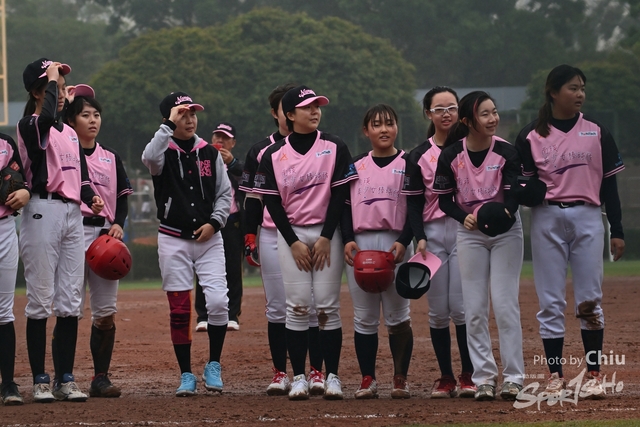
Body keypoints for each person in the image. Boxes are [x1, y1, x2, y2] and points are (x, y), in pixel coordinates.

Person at [515, 64, 625, 400]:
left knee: (590, 299)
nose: (580, 94)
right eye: (573, 88)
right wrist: (526, 190)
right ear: (553, 92)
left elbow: (610, 186)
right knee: (550, 301)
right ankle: (555, 376)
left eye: (582, 88)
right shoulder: (530, 135)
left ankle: (593, 374)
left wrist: (617, 229)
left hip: (588, 216)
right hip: (546, 217)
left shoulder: (597, 132)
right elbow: (520, 184)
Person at [254, 85, 358, 400]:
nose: (314, 111)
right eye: (307, 107)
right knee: (297, 307)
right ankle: (298, 376)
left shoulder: (334, 146)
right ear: (289, 114)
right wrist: (293, 242)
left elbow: (340, 196)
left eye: (317, 106)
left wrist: (327, 237)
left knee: (327, 307)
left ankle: (332, 376)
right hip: (292, 235)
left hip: (328, 234)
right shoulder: (273, 154)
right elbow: (272, 203)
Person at [17, 58, 104, 403]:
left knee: (70, 301)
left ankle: (65, 378)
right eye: (57, 87)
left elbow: (80, 177)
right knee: (40, 299)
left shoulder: (69, 133)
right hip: (42, 209)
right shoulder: (31, 124)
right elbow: (47, 118)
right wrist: (52, 80)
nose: (64, 93)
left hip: (72, 212)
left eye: (65, 87)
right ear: (38, 92)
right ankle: (40, 379)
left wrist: (91, 195)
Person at [433, 91, 524, 401]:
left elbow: (513, 197)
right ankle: (484, 378)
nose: (493, 118)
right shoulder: (450, 156)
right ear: (467, 121)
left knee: (505, 305)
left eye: (494, 112)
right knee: (473, 310)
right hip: (470, 233)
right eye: (485, 114)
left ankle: (513, 378)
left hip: (506, 232)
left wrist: (504, 213)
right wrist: (464, 217)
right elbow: (444, 200)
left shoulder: (507, 152)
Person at [141, 91, 232, 397]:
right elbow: (148, 158)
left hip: (209, 238)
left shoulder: (210, 153)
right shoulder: (161, 152)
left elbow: (225, 194)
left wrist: (215, 223)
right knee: (179, 309)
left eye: (193, 113)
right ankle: (186, 374)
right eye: (183, 114)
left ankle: (213, 364)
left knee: (218, 303)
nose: (190, 119)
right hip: (172, 239)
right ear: (169, 119)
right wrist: (167, 126)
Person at [238, 83, 325, 396]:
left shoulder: (323, 146)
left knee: (311, 306)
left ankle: (316, 371)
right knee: (277, 307)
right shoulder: (262, 151)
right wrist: (249, 236)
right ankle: (280, 373)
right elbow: (252, 199)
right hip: (273, 234)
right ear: (278, 113)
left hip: (309, 232)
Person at [403, 87, 475, 398]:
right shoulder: (419, 155)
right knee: (437, 311)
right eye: (439, 109)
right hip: (432, 235)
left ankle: (469, 374)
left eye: (452, 108)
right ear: (428, 114)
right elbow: (414, 202)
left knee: (461, 308)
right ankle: (446, 377)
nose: (446, 114)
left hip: (463, 231)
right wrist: (419, 236)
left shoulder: (471, 147)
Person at [341, 104, 415, 399]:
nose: (384, 129)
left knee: (399, 316)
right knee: (364, 317)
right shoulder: (355, 165)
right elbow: (344, 206)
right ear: (366, 130)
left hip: (396, 243)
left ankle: (400, 378)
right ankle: (368, 378)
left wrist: (405, 240)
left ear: (397, 126)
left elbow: (416, 207)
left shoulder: (409, 163)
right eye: (376, 124)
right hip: (361, 245)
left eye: (389, 123)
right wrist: (348, 239)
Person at [65, 84, 133, 398]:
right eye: (85, 115)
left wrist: (118, 223)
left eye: (96, 115)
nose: (93, 120)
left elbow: (122, 197)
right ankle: (64, 377)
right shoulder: (65, 154)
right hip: (73, 232)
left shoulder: (111, 157)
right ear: (72, 120)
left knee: (105, 313)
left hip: (105, 237)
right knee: (68, 309)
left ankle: (100, 378)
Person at [195, 122, 244, 332]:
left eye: (225, 138)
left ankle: (232, 315)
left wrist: (232, 163)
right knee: (203, 269)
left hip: (232, 222)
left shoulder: (237, 166)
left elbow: (248, 179)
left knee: (233, 269)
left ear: (233, 143)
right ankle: (203, 315)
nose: (220, 141)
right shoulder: (203, 161)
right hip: (207, 223)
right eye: (217, 136)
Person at [0, 133, 31, 406]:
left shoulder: (6, 144)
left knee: (3, 311)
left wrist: (25, 192)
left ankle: (8, 384)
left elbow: (25, 180)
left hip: (4, 229)